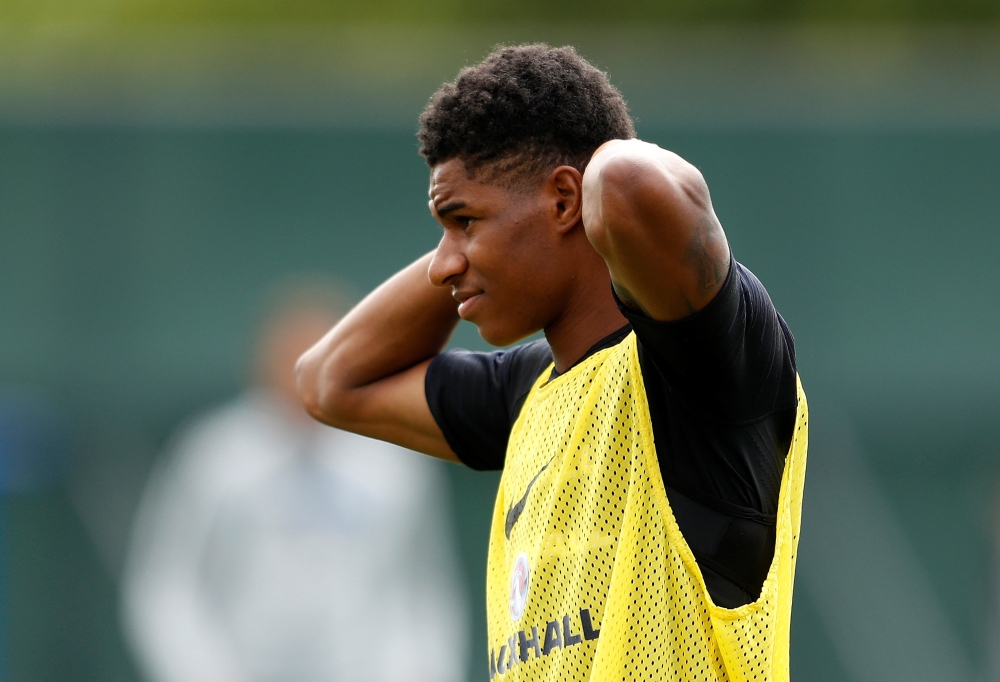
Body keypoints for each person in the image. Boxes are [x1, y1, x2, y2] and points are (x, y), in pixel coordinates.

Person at [297, 44, 807, 681]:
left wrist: (580, 169)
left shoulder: (697, 371)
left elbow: (625, 181)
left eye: (464, 222)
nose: (439, 264)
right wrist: (471, 244)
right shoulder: (527, 392)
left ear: (568, 201)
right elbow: (328, 381)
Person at [121, 281, 467, 682]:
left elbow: (425, 591)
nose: (306, 369)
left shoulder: (392, 464)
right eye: (293, 356)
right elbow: (166, 584)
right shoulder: (214, 458)